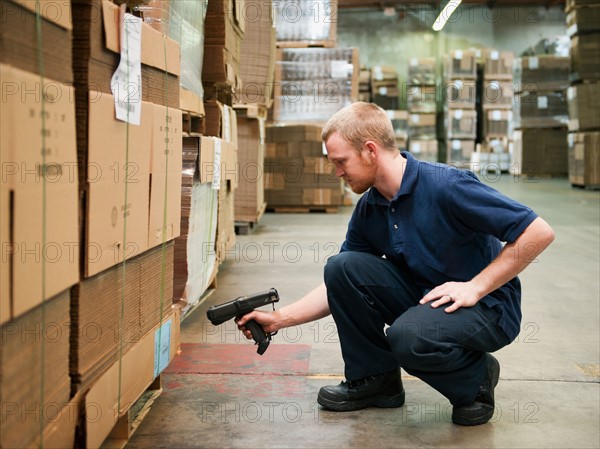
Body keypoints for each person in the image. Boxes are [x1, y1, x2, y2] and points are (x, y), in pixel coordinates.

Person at [236, 102, 555, 426]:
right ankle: (376, 381)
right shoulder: (370, 207)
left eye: (341, 162)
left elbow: (538, 231)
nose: (338, 173)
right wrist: (280, 319)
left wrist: (476, 286)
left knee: (409, 337)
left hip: (488, 307)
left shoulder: (447, 186)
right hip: (427, 297)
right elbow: (341, 284)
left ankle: (476, 380)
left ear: (370, 151)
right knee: (342, 267)